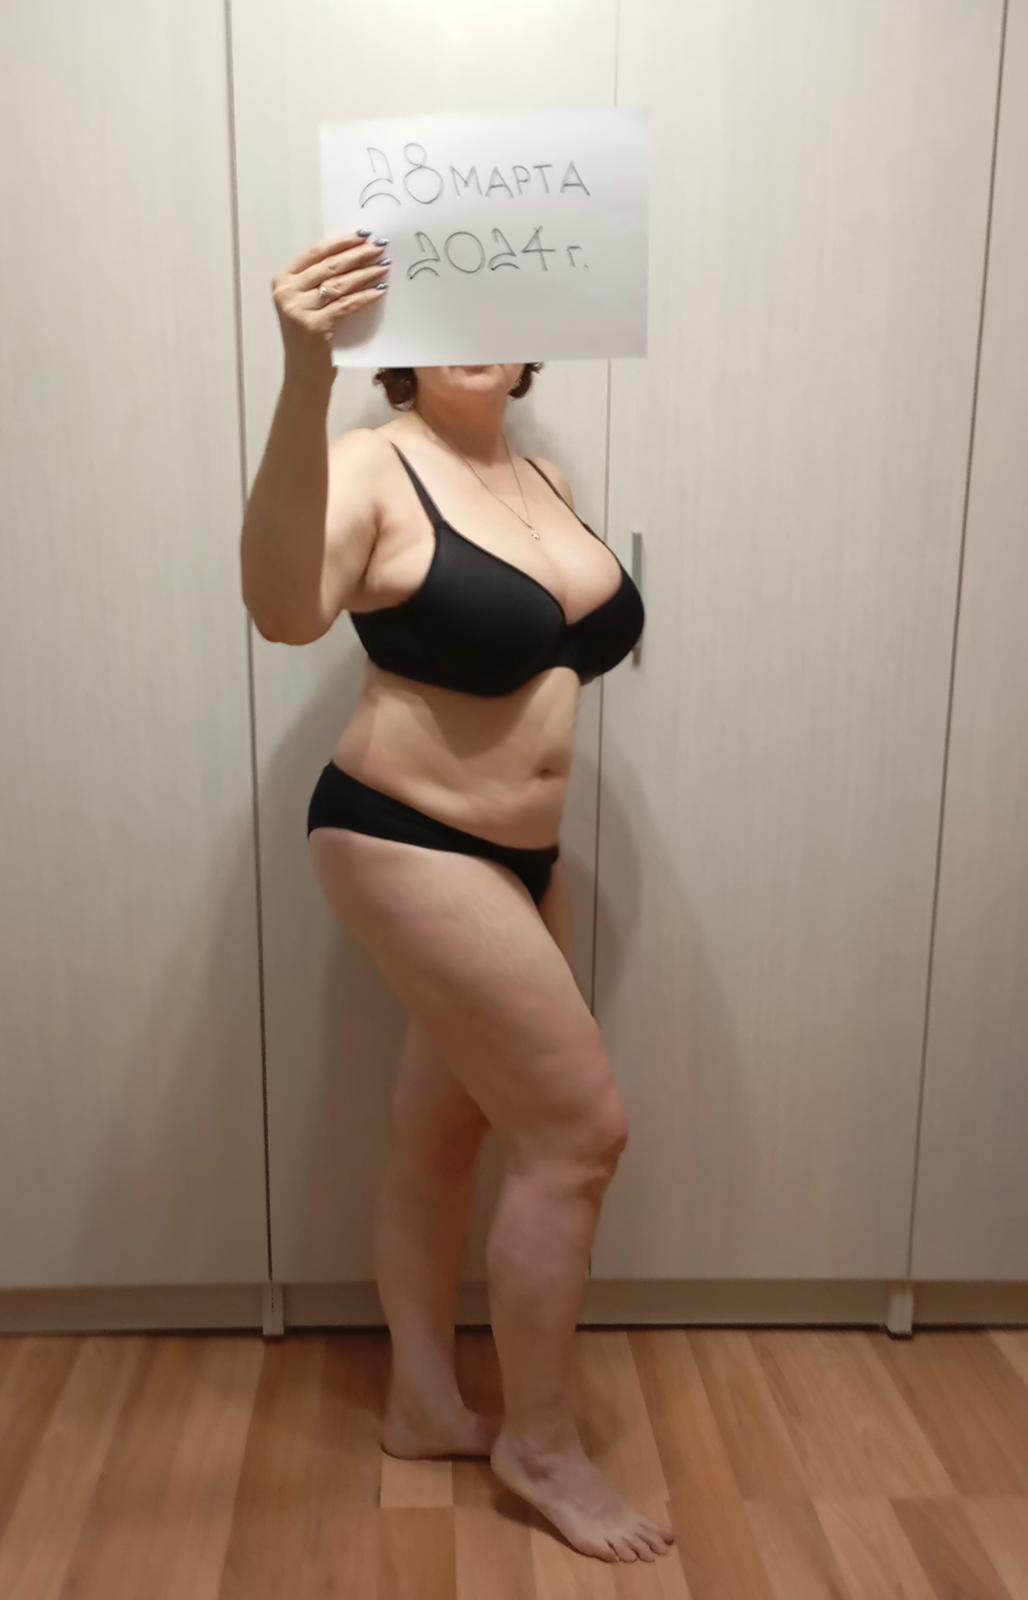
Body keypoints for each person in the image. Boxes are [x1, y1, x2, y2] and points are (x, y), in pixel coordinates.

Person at [240, 228, 674, 1566]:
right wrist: (303, 378)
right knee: (579, 1132)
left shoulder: (543, 477)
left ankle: (426, 1404)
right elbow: (283, 608)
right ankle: (540, 1445)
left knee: (444, 1132)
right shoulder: (374, 466)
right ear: (403, 341)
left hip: (520, 860)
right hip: (401, 834)